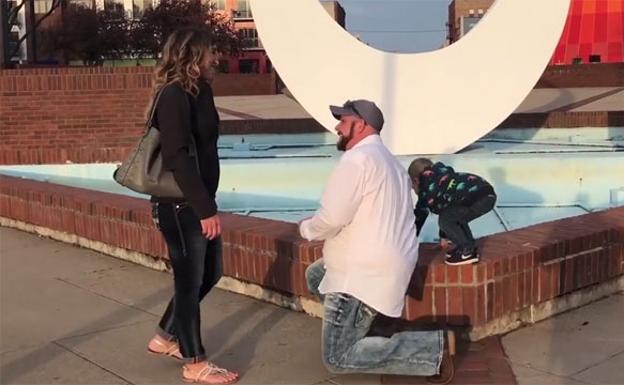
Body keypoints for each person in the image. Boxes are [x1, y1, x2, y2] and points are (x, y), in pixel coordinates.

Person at [299, 100, 455, 384]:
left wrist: (307, 229)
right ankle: (363, 328)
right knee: (314, 276)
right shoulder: (392, 163)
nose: (337, 126)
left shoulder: (357, 161)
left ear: (361, 125)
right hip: (386, 264)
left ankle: (432, 350)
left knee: (337, 356)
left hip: (360, 272)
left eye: (343, 121)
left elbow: (332, 218)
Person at [144, 28, 238, 385]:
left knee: (209, 273)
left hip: (198, 202)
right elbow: (177, 156)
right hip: (181, 206)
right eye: (210, 52)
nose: (216, 58)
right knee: (188, 281)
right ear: (192, 57)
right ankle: (195, 361)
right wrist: (204, 208)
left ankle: (165, 337)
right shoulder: (173, 95)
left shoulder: (201, 92)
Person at [408, 158, 497, 266]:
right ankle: (467, 246)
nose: (413, 189)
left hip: (475, 198)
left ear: (416, 180)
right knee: (457, 217)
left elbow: (420, 216)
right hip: (486, 193)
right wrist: (444, 236)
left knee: (447, 220)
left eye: (412, 186)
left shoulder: (426, 189)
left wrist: (409, 240)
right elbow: (447, 208)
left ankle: (467, 251)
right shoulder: (442, 176)